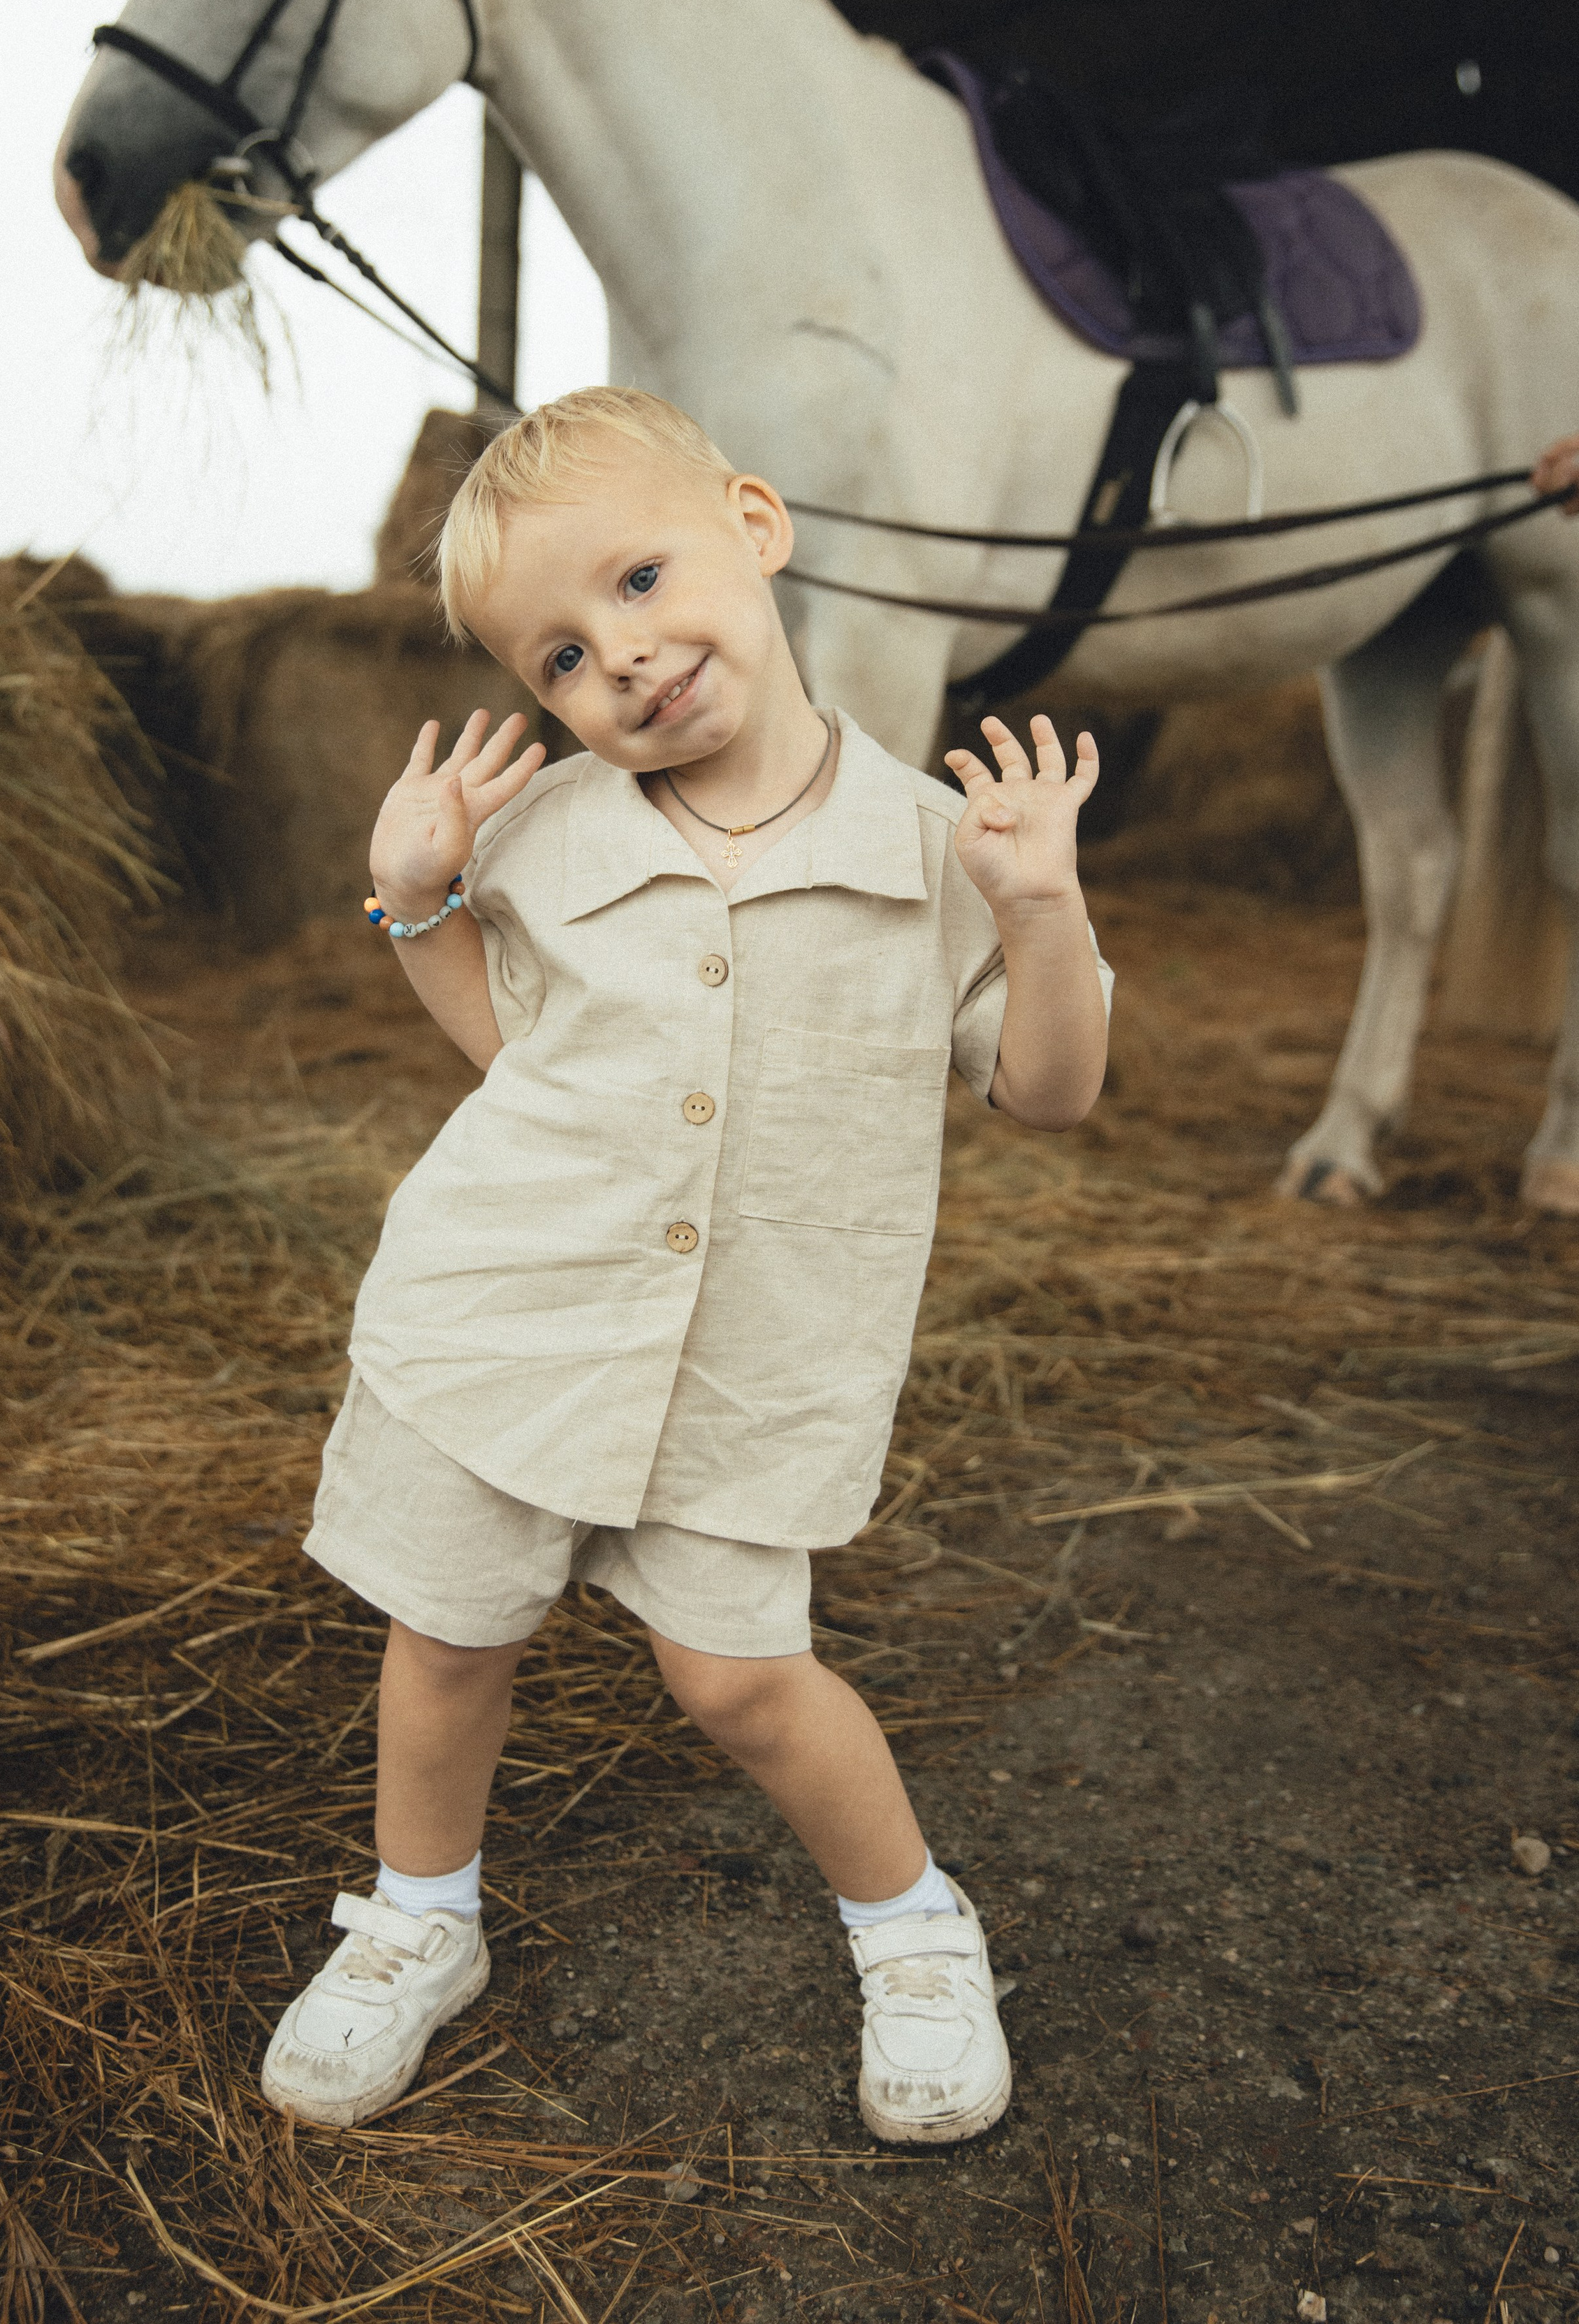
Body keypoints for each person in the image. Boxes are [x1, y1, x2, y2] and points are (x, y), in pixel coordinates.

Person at [262, 387, 1112, 2145]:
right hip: (509, 1310)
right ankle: (421, 1919)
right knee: (448, 1634)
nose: (623, 662)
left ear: (754, 520)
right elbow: (514, 1046)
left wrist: (1039, 911)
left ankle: (913, 1925)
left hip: (757, 1346)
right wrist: (413, 901)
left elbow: (1048, 1088)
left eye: (643, 581)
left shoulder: (931, 848)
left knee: (735, 1676)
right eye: (562, 656)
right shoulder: (544, 836)